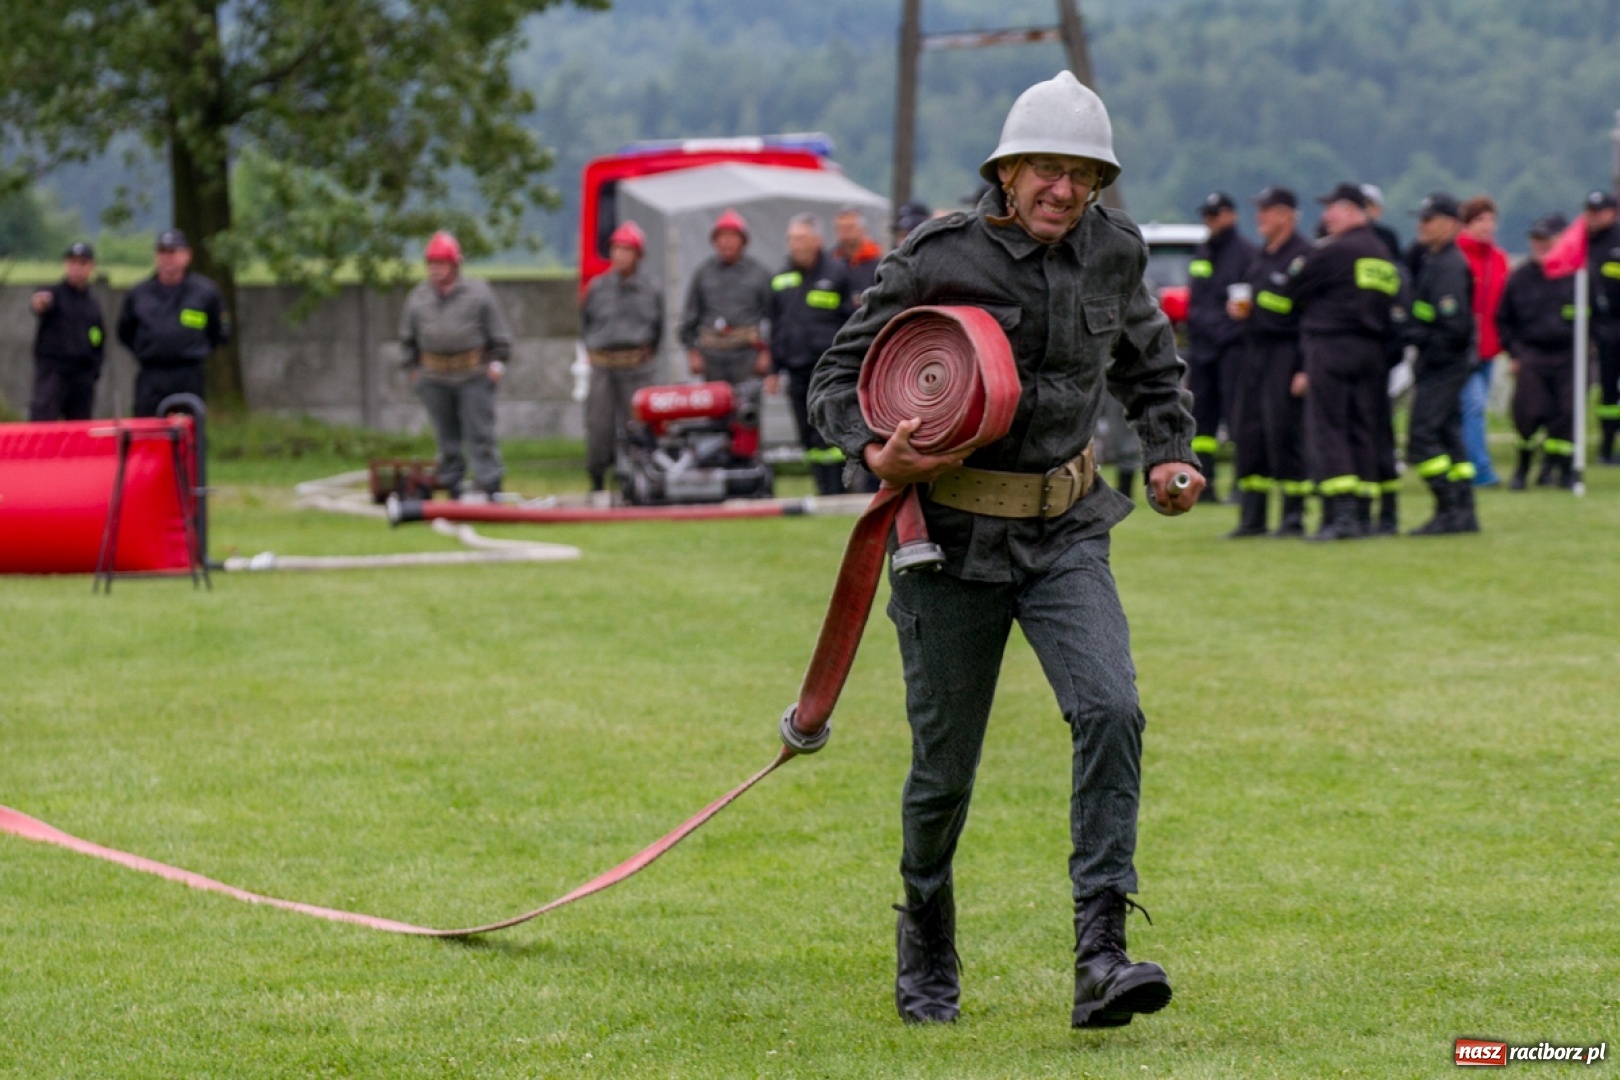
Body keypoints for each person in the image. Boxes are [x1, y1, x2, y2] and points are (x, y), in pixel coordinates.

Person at [808, 69, 1202, 1030]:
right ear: (1008, 170)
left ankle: (1102, 955)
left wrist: (1170, 453)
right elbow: (834, 374)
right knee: (946, 767)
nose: (1063, 192)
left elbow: (1152, 363)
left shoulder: (1115, 252)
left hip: (1069, 530)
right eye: (1045, 172)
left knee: (1112, 708)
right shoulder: (939, 255)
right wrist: (871, 446)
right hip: (947, 543)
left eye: (1082, 176)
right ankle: (928, 935)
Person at [1281, 183, 1403, 541]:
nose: (1325, 217)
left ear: (1351, 210)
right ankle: (1364, 512)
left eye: (1330, 209)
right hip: (1373, 350)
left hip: (1332, 347)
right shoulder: (1381, 253)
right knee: (1363, 428)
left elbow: (1294, 287)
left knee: (1329, 427)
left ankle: (1341, 514)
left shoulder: (1337, 251)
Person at [398, 231, 513, 500]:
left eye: (441, 264)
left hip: (473, 375)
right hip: (434, 376)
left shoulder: (479, 293)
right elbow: (407, 339)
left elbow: (500, 337)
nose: (436, 270)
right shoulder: (417, 298)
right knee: (446, 437)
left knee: (480, 434)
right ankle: (451, 483)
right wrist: (413, 371)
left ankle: (490, 483)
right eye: (432, 264)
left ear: (455, 265)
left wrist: (496, 366)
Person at [1225, 187, 1313, 537]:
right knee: (1249, 433)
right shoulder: (1261, 256)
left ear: (1286, 215)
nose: (1259, 217)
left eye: (1266, 210)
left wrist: (1305, 367)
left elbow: (1310, 317)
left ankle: (1293, 517)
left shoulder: (1304, 258)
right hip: (1253, 353)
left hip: (1286, 355)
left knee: (1284, 433)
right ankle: (1252, 518)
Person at [1402, 193, 1480, 535]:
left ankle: (1449, 507)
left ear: (1450, 224)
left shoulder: (1449, 265)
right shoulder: (1431, 259)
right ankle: (1464, 511)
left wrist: (1421, 338)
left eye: (1428, 219)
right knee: (1449, 434)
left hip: (1443, 364)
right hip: (1436, 362)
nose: (1421, 225)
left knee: (1422, 435)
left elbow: (1454, 326)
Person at [768, 213, 854, 495]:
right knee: (806, 435)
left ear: (817, 241)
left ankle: (838, 489)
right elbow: (776, 325)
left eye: (801, 239)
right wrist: (773, 369)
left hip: (828, 370)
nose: (795, 245)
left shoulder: (837, 274)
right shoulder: (781, 277)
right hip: (795, 370)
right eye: (791, 239)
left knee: (829, 432)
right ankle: (820, 487)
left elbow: (852, 322)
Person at [580, 221, 663, 494]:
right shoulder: (597, 288)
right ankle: (597, 479)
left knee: (639, 426)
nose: (620, 255)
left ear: (638, 255)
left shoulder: (652, 290)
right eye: (616, 249)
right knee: (599, 426)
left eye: (627, 250)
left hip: (637, 368)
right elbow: (585, 323)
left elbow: (658, 330)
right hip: (603, 367)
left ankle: (642, 479)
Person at [1185, 191, 1257, 501]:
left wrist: (1222, 329)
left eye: (1215, 215)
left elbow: (1245, 306)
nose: (1210, 221)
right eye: (1207, 216)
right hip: (1202, 348)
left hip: (1233, 348)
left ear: (1231, 215)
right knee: (1202, 420)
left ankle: (1241, 483)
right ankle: (1206, 482)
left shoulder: (1246, 253)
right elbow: (1197, 297)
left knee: (1237, 416)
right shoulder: (1203, 252)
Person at [1497, 214, 1577, 489]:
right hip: (1531, 354)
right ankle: (1523, 467)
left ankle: (1561, 469)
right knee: (1528, 412)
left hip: (1568, 356)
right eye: (1535, 240)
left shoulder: (1575, 277)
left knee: (1566, 414)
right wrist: (1514, 353)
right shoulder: (1520, 277)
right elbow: (1504, 319)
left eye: (1545, 239)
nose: (1539, 245)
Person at [115, 229, 228, 417]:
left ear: (187, 255)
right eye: (162, 252)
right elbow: (125, 331)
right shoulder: (139, 293)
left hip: (189, 374)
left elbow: (219, 332)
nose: (167, 258)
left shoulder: (205, 292)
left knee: (189, 435)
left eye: (173, 252)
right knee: (148, 434)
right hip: (152, 375)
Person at [678, 209, 773, 386]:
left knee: (745, 408)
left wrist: (767, 353)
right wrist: (692, 351)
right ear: (714, 241)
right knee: (715, 408)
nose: (727, 242)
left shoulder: (759, 274)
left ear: (743, 241)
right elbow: (690, 316)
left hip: (747, 355)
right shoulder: (703, 273)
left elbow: (773, 317)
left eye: (732, 236)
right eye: (722, 237)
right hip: (711, 356)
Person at [1456, 195, 1511, 486]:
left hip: (1489, 347)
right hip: (1461, 347)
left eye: (1491, 219)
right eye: (1479, 220)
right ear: (1465, 224)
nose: (1487, 225)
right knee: (1473, 405)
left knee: (1473, 409)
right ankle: (1480, 469)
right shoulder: (1456, 256)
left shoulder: (1499, 259)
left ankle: (1463, 462)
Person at [27, 241, 105, 421]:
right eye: (72, 262)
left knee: (80, 431)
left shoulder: (92, 305)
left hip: (81, 378)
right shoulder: (53, 295)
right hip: (53, 375)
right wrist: (40, 303)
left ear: (91, 267)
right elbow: (40, 303)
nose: (77, 268)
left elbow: (98, 339)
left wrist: (94, 370)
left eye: (82, 263)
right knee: (43, 426)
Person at [1582, 190, 1620, 463]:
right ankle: (1606, 445)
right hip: (1597, 325)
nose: (1594, 217)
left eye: (1599, 211)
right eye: (1590, 211)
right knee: (1606, 390)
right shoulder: (1583, 242)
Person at [833, 204, 883, 302]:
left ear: (863, 230)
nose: (845, 233)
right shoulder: (831, 261)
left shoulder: (877, 264)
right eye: (840, 228)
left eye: (849, 228)